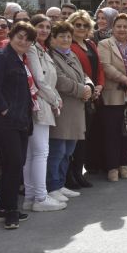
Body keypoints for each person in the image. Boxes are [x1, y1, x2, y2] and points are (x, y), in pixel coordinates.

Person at [0, 21, 37, 229]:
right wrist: (5, 110)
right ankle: (11, 211)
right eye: (20, 36)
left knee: (14, 164)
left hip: (20, 121)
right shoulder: (2, 57)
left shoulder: (19, 59)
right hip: (4, 122)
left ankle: (3, 208)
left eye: (28, 39)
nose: (23, 41)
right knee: (14, 164)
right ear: (12, 36)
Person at [23, 15, 64, 212]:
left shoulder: (43, 49)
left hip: (42, 102)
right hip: (39, 102)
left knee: (34, 154)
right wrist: (55, 99)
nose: (45, 30)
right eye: (41, 26)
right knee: (40, 152)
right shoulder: (32, 48)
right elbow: (39, 79)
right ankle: (39, 197)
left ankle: (32, 196)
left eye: (48, 27)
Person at [98, 14, 127, 180]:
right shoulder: (104, 44)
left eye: (125, 26)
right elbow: (106, 66)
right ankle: (112, 167)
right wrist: (125, 80)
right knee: (112, 133)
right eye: (118, 26)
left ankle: (123, 164)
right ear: (113, 28)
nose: (122, 29)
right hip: (114, 95)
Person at [48, 21, 92, 198]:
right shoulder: (51, 56)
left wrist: (89, 84)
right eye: (61, 36)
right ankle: (52, 186)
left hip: (76, 110)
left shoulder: (71, 54)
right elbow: (59, 80)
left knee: (68, 152)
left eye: (68, 36)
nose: (66, 39)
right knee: (57, 152)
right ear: (53, 39)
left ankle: (60, 184)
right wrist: (82, 90)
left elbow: (84, 74)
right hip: (63, 110)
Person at [68, 11, 104, 187]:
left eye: (84, 25)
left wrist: (99, 86)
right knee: (76, 138)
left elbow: (100, 68)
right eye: (77, 25)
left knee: (86, 137)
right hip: (78, 96)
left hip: (94, 96)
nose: (81, 28)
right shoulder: (69, 45)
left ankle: (79, 173)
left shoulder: (91, 44)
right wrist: (88, 88)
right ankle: (72, 174)